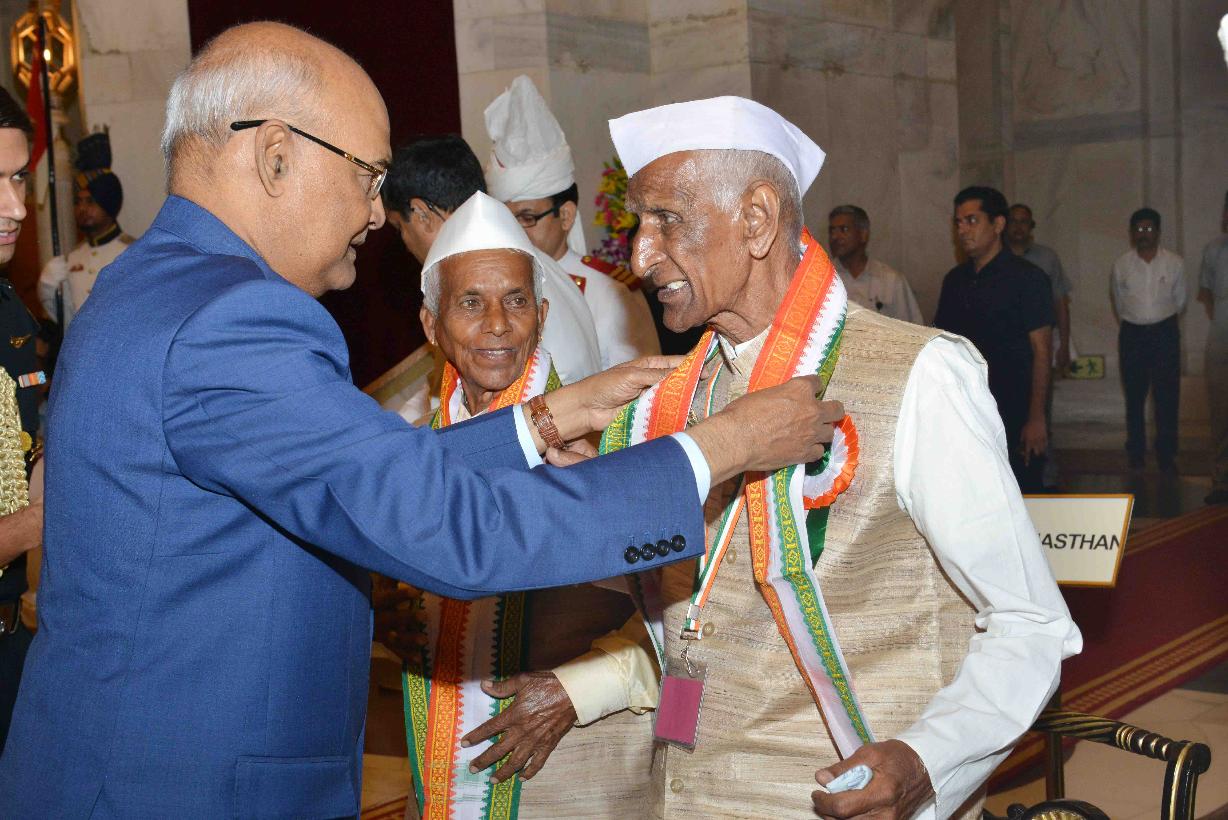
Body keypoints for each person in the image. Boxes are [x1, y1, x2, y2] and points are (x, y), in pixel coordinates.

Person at [0, 24, 840, 816]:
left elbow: (347, 477)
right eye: (369, 177)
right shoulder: (235, 318)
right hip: (190, 787)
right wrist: (725, 444)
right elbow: (450, 525)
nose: (377, 214)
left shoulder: (146, 286)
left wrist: (539, 421)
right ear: (276, 155)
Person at [465, 96, 1080, 819]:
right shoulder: (672, 395)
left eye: (667, 220)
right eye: (639, 226)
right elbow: (699, 606)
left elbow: (1030, 623)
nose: (640, 256)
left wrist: (928, 759)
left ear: (756, 219)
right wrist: (585, 499)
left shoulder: (919, 374)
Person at [401, 191, 657, 819]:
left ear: (541, 315)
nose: (497, 323)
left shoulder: (605, 444)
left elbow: (694, 618)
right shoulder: (409, 452)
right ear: (431, 325)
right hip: (436, 773)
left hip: (578, 769)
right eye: (470, 302)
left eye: (516, 301)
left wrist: (578, 690)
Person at [382, 134, 602, 385]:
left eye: (400, 228)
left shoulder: (508, 271)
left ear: (421, 213)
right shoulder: (535, 262)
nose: (497, 325)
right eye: (471, 304)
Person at [484, 75, 659, 367]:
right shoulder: (493, 286)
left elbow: (642, 383)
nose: (514, 231)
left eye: (527, 218)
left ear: (565, 215)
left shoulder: (610, 292)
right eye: (506, 219)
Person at [934, 186, 1055, 492]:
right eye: (958, 222)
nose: (963, 230)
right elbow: (942, 348)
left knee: (1023, 495)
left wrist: (1037, 418)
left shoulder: (1029, 279)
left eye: (972, 220)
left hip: (1016, 412)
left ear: (998, 224)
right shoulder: (954, 281)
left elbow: (1042, 351)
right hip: (968, 414)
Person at [0, 87, 44, 753]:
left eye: (18, 179)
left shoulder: (12, 315)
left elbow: (28, 451)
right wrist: (47, 518)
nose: (16, 208)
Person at [1111, 207, 1187, 472]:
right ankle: (1136, 451)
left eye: (1149, 228)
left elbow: (1180, 301)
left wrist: (1157, 320)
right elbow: (1119, 303)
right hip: (1133, 335)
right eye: (1139, 229)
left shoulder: (1175, 263)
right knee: (1134, 395)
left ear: (1158, 231)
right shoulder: (1121, 265)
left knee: (1167, 395)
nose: (1144, 234)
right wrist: (1138, 321)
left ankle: (1166, 453)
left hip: (1165, 333)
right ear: (1132, 233)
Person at [1006, 203, 1074, 489]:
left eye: (1024, 222)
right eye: (1014, 221)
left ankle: (1046, 476)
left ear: (1032, 227)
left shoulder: (1047, 258)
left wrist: (1064, 345)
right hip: (1007, 350)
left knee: (1041, 410)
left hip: (1040, 347)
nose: (1018, 227)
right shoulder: (997, 257)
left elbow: (1060, 303)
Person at [37, 131, 133, 330]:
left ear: (108, 203)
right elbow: (66, 321)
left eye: (90, 201)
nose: (82, 209)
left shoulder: (133, 253)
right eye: (78, 201)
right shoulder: (72, 258)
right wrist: (47, 287)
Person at [827, 204, 923, 324]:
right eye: (832, 231)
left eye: (844, 229)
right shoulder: (822, 280)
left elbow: (913, 329)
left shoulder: (891, 280)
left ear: (863, 235)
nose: (835, 237)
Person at [1200, 192, 1228, 505]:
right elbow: (1206, 295)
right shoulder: (1213, 250)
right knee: (1221, 414)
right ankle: (1221, 480)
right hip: (1220, 341)